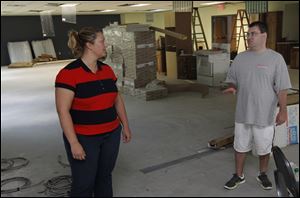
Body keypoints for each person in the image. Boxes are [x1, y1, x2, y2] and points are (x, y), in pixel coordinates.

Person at [55, 27, 132, 197]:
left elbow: (117, 99)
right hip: (85, 137)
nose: (106, 45)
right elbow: (63, 111)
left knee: (105, 176)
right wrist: (74, 143)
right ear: (90, 45)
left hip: (111, 133)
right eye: (102, 41)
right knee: (84, 181)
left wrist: (125, 125)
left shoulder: (107, 70)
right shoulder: (68, 74)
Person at [223, 21, 292, 190]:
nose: (249, 37)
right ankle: (239, 175)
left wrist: (283, 111)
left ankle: (262, 174)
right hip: (243, 113)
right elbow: (232, 80)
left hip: (264, 115)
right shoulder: (240, 58)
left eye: (253, 34)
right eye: (248, 34)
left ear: (264, 35)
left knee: (263, 148)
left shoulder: (276, 59)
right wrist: (232, 87)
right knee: (239, 146)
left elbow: (282, 88)